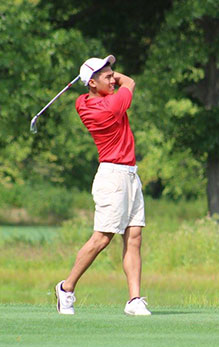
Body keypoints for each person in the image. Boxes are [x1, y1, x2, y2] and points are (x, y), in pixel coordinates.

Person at [55, 55, 151, 316]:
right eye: (107, 76)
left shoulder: (82, 102)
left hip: (130, 174)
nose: (113, 78)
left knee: (134, 237)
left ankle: (134, 300)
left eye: (112, 74)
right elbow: (129, 82)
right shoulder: (110, 106)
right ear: (93, 83)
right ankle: (66, 288)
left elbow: (104, 88)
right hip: (113, 177)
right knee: (102, 238)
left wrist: (103, 76)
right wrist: (116, 79)